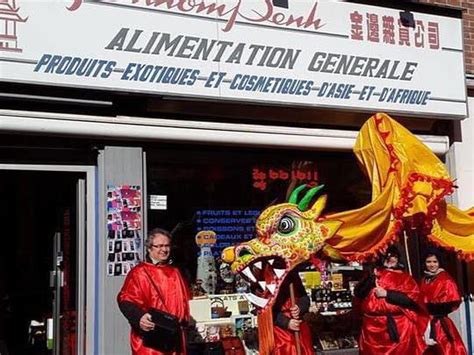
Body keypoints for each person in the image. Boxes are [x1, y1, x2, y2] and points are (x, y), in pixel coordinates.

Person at [117, 228, 190, 355]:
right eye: (159, 246)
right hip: (151, 339)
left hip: (174, 338)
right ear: (149, 248)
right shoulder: (139, 272)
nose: (164, 250)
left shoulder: (175, 272)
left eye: (167, 245)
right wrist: (139, 317)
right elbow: (125, 300)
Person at [354, 245, 426, 355]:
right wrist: (371, 278)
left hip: (398, 326)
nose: (390, 259)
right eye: (387, 256)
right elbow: (359, 293)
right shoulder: (373, 275)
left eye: (394, 256)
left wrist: (387, 294)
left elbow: (411, 300)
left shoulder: (405, 278)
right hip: (372, 329)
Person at [419, 247, 467, 355]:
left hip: (441, 325)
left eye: (435, 261)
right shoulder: (424, 279)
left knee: (445, 349)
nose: (432, 265)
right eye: (429, 262)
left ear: (439, 262)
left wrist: (432, 306)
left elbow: (452, 301)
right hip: (426, 323)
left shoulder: (445, 279)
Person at [272, 271, 313, 354]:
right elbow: (265, 310)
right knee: (288, 347)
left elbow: (304, 297)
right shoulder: (264, 278)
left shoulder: (291, 272)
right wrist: (286, 322)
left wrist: (299, 307)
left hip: (299, 324)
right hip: (280, 331)